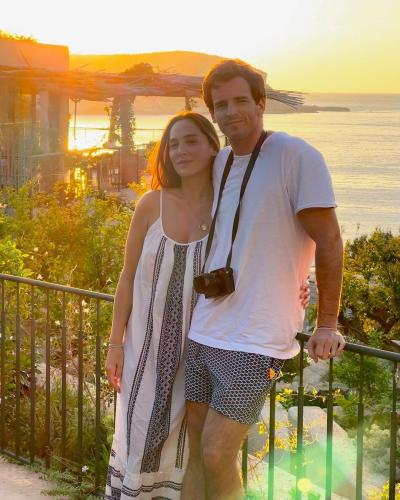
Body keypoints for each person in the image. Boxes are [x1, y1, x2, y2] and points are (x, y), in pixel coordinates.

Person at [104, 111, 310, 499]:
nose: (180, 150)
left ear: (213, 148)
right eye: (173, 144)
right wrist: (116, 343)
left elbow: (267, 251)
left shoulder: (226, 210)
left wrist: (299, 285)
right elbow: (127, 277)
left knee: (187, 448)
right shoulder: (151, 204)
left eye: (191, 141)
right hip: (143, 350)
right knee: (139, 436)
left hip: (200, 347)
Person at [182, 59, 345, 500]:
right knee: (195, 449)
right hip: (206, 326)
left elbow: (330, 241)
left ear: (261, 103)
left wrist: (327, 323)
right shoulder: (220, 162)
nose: (231, 111)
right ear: (212, 112)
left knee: (217, 453)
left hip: (256, 338)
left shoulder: (295, 155)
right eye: (221, 104)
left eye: (240, 100)